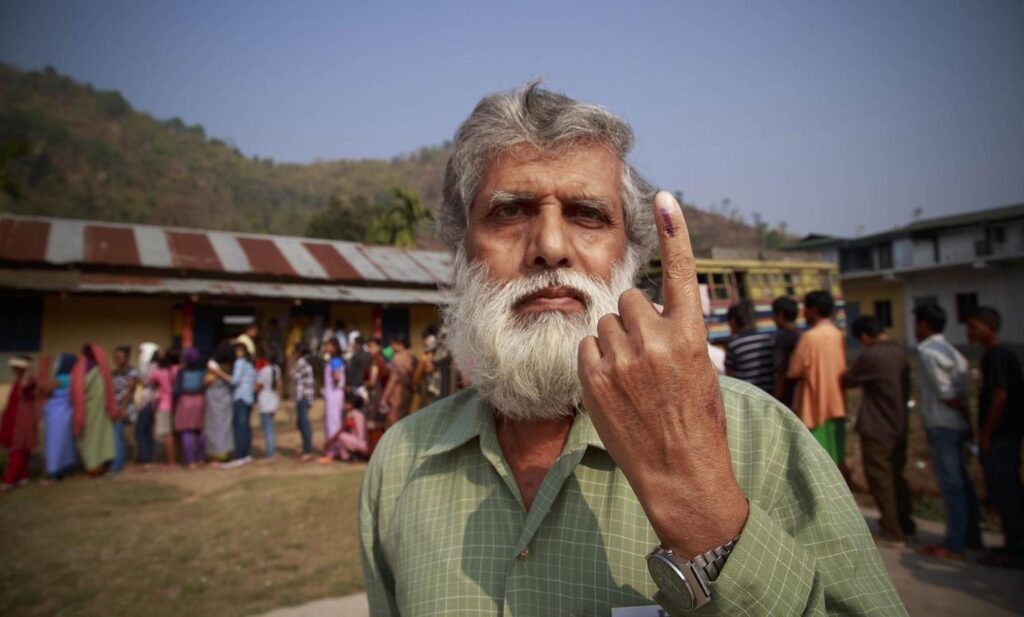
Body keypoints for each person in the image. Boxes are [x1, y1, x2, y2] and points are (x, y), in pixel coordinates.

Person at [359, 82, 903, 615]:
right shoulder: (400, 463)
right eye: (511, 212)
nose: (550, 247)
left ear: (631, 254)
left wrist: (700, 510)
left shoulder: (760, 438)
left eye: (587, 215)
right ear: (462, 251)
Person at [913, 303, 981, 561]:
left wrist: (963, 412)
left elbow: (946, 393)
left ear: (924, 325)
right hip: (957, 424)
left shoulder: (928, 352)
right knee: (962, 482)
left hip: (943, 424)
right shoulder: (954, 352)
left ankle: (954, 544)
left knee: (952, 484)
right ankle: (971, 535)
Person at [843, 316, 915, 545]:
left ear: (864, 336)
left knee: (880, 478)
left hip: (878, 426)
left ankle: (891, 531)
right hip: (898, 423)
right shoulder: (899, 351)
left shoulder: (872, 354)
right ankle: (905, 524)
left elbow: (849, 379)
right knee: (896, 475)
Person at [966, 307, 1024, 568]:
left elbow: (1000, 397)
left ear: (990, 327)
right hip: (1004, 434)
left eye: (974, 326)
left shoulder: (998, 356)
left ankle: (1016, 549)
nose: (969, 332)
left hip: (1001, 435)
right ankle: (1013, 542)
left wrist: (986, 435)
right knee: (1004, 490)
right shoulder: (995, 355)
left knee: (1005, 491)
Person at [786, 290, 848, 469]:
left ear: (814, 310)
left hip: (814, 406)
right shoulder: (838, 334)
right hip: (837, 402)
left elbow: (793, 371)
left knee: (818, 462)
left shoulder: (809, 337)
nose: (804, 314)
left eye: (805, 309)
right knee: (837, 454)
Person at [71, 344, 117, 476]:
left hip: (87, 410)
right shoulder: (102, 369)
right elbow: (108, 389)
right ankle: (100, 466)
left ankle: (92, 466)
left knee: (89, 439)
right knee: (101, 438)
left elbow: (76, 391)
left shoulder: (79, 369)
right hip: (101, 410)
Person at [1, 356, 38, 489]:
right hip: (14, 415)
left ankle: (9, 480)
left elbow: (24, 385)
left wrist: (28, 369)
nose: (15, 370)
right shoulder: (18, 379)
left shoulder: (29, 378)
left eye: (18, 368)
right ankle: (22, 476)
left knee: (18, 447)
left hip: (23, 417)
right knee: (21, 448)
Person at [41, 353, 78, 481]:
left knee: (54, 445)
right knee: (64, 444)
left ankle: (53, 473)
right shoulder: (73, 378)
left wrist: (44, 371)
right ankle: (64, 471)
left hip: (56, 416)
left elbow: (44, 390)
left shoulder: (61, 378)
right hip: (66, 414)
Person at [723, 300, 774, 391]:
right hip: (770, 394)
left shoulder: (734, 344)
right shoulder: (768, 339)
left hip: (747, 395)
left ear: (733, 321)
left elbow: (730, 376)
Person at [222, 337, 256, 469]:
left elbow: (234, 381)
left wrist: (219, 373)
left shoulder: (239, 363)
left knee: (240, 428)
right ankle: (246, 454)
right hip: (248, 398)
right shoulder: (250, 364)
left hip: (240, 397)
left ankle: (240, 456)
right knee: (246, 427)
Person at [173, 348, 207, 469]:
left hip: (185, 401)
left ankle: (190, 461)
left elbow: (176, 390)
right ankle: (201, 459)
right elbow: (204, 386)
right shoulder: (202, 371)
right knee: (199, 430)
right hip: (199, 400)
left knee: (186, 431)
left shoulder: (182, 372)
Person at [108, 346, 138, 476]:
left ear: (126, 357)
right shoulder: (114, 372)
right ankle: (118, 461)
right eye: (115, 357)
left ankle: (116, 466)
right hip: (115, 407)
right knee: (117, 435)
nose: (117, 359)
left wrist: (123, 408)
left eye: (120, 356)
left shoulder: (131, 372)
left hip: (125, 407)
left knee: (117, 434)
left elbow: (129, 392)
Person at [203, 342, 235, 463]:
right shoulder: (215, 365)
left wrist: (217, 372)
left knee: (220, 427)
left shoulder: (217, 367)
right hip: (219, 399)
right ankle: (219, 453)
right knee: (218, 426)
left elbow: (231, 380)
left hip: (219, 398)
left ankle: (221, 453)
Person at [149, 348, 179, 467]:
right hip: (177, 405)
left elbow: (148, 380)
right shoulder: (177, 369)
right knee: (176, 433)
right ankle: (181, 458)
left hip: (164, 405)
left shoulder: (157, 372)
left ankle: (171, 462)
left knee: (167, 434)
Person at [318, 337, 346, 463]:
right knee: (334, 421)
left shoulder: (335, 361)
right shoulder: (334, 360)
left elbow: (336, 376)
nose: (326, 348)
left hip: (334, 395)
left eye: (328, 345)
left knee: (332, 423)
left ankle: (332, 451)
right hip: (334, 394)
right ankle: (335, 449)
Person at [380, 335, 417, 427]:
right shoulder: (413, 357)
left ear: (399, 344)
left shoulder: (397, 358)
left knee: (393, 421)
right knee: (405, 420)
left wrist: (384, 398)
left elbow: (393, 379)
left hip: (396, 393)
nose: (391, 347)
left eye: (392, 344)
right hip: (408, 392)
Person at [771, 296, 801, 409]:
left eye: (774, 314)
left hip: (787, 395)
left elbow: (780, 372)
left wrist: (776, 400)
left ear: (780, 315)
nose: (773, 319)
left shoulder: (783, 338)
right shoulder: (799, 334)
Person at [134, 343, 160, 467]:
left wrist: (139, 382)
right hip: (147, 399)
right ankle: (147, 455)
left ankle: (146, 457)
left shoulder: (152, 367)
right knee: (146, 429)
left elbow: (146, 382)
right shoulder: (150, 366)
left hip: (148, 400)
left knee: (140, 429)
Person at [290, 344, 316, 461]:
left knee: (303, 423)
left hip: (303, 397)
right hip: (302, 397)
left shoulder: (302, 364)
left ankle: (308, 450)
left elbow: (292, 376)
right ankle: (306, 448)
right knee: (300, 423)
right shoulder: (303, 363)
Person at [322, 394, 368, 462]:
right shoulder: (359, 414)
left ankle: (346, 457)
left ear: (351, 405)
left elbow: (341, 430)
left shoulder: (352, 414)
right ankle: (352, 455)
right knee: (341, 437)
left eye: (345, 403)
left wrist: (329, 442)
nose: (343, 405)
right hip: (362, 442)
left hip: (361, 443)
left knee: (341, 436)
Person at [255, 353, 281, 460]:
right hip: (273, 399)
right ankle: (271, 451)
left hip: (265, 399)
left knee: (267, 428)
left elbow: (258, 386)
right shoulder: (277, 369)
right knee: (270, 426)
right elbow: (279, 384)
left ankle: (270, 453)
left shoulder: (265, 370)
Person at [345, 336, 372, 403]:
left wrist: (348, 384)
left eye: (354, 343)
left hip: (356, 385)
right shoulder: (368, 355)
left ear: (357, 344)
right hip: (366, 384)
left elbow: (351, 371)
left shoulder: (356, 356)